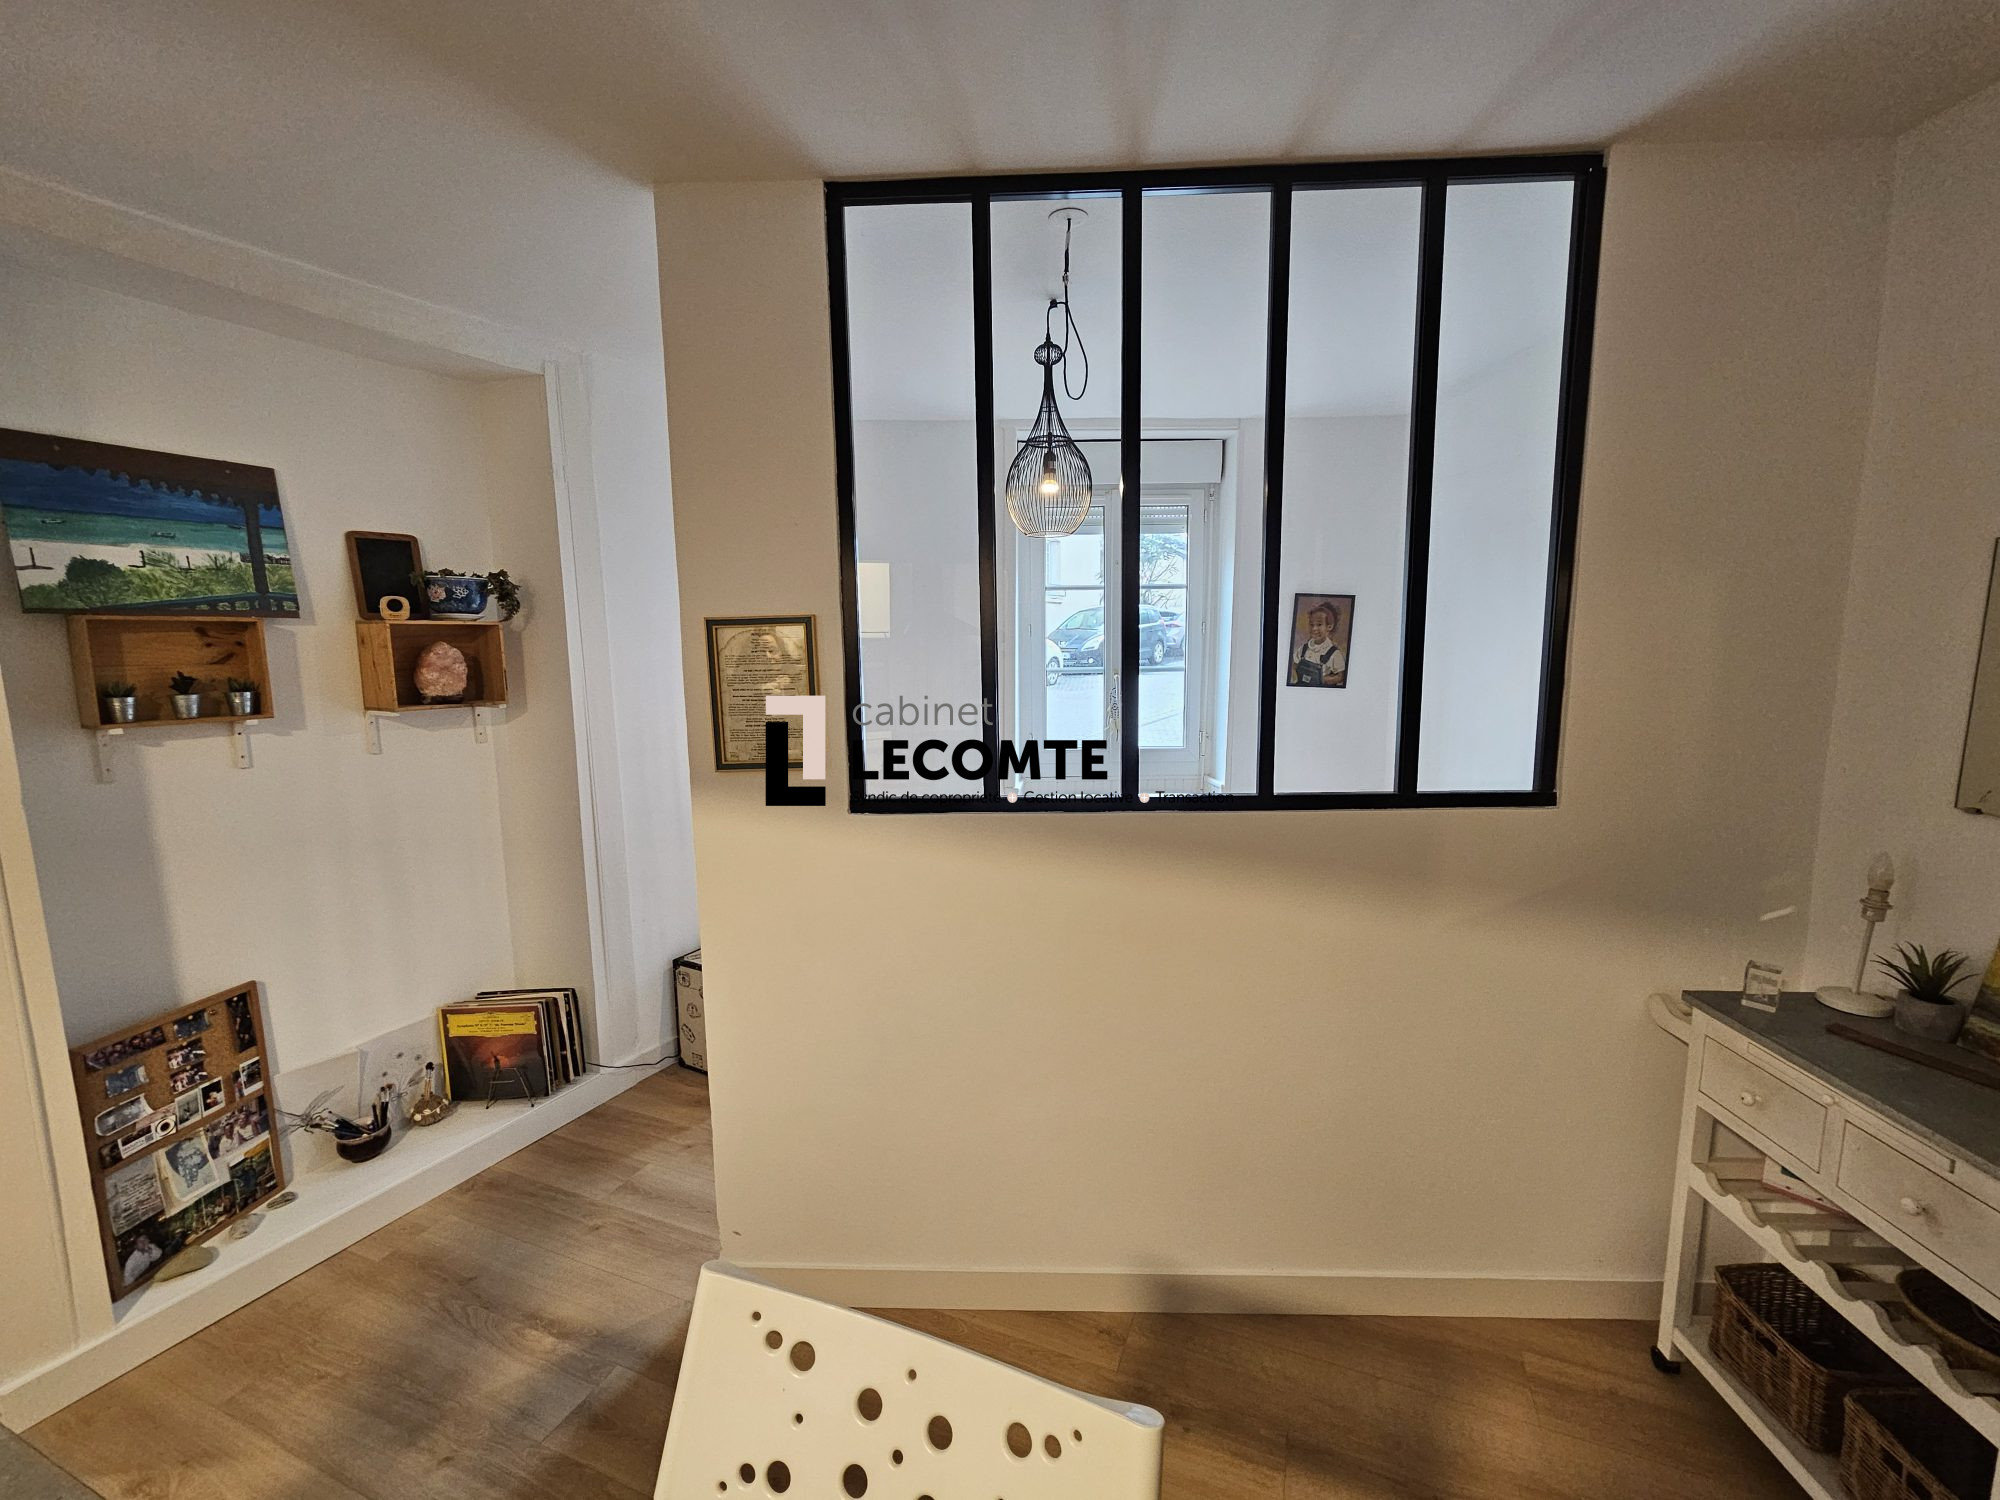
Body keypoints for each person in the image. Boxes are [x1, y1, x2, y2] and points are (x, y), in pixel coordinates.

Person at [1291, 601, 1347, 687]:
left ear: (1329, 626)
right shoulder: (1304, 648)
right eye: (1311, 624)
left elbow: (1341, 676)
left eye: (1319, 624)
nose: (1314, 629)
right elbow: (1294, 664)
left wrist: (1322, 679)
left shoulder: (1334, 653)